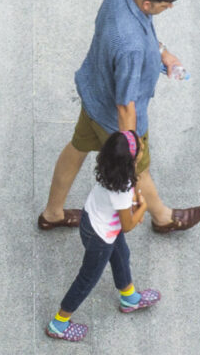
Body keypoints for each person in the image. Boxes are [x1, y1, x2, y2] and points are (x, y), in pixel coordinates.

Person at [39, 0, 200, 235]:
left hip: (93, 95)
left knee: (77, 148)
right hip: (113, 119)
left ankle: (52, 214)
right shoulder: (130, 48)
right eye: (165, 5)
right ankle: (163, 218)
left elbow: (141, 30)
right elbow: (125, 104)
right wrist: (130, 144)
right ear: (148, 3)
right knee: (140, 169)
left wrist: (162, 52)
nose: (169, 9)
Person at [45, 129, 161, 342]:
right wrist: (142, 208)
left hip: (92, 220)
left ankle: (129, 297)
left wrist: (134, 200)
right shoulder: (122, 188)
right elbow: (127, 225)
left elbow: (128, 190)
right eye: (140, 149)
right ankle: (59, 323)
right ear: (131, 161)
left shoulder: (111, 172)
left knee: (122, 255)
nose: (143, 147)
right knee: (87, 280)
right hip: (102, 238)